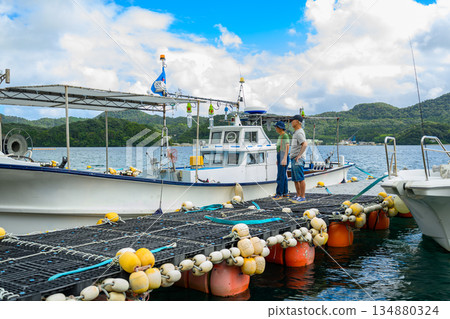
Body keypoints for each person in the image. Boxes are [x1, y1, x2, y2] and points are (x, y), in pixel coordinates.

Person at [289, 114, 308, 201]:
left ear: (297, 122)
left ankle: (303, 196)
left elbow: (304, 144)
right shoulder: (296, 132)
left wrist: (299, 155)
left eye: (293, 120)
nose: (291, 122)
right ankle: (298, 195)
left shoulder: (299, 132)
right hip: (294, 158)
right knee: (295, 179)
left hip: (298, 159)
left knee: (300, 178)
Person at [273, 121, 290, 199]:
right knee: (283, 175)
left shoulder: (284, 135)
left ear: (280, 128)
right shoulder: (280, 136)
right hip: (280, 155)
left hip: (283, 155)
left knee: (280, 175)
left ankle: (279, 193)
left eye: (276, 127)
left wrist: (284, 158)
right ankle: (285, 193)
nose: (275, 129)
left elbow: (287, 146)